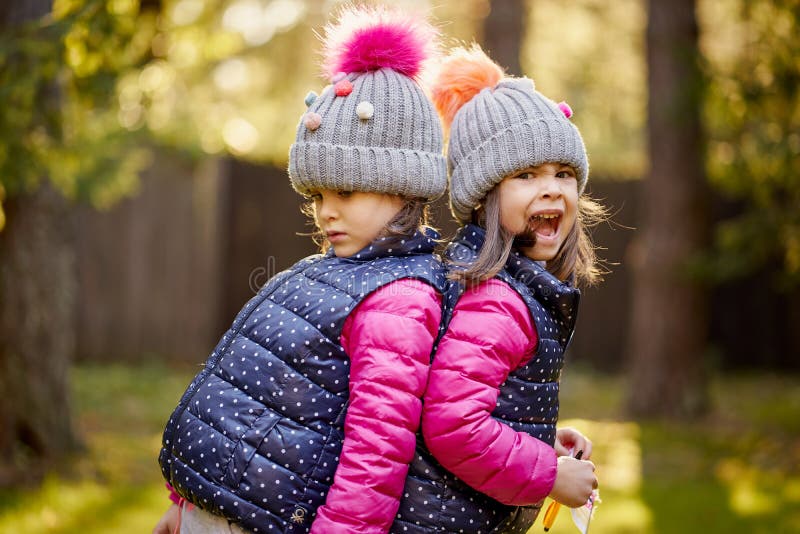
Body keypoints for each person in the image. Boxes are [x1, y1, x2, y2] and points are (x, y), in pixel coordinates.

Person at [153, 6, 449, 533]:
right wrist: (186, 505)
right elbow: (246, 394)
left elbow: (376, 453)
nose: (325, 210)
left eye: (345, 191)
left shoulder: (399, 299)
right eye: (316, 195)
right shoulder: (324, 272)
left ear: (404, 187)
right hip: (219, 510)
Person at [419, 45, 606, 531]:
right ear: (483, 197)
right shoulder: (497, 302)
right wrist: (548, 476)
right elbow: (454, 428)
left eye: (563, 173)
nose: (551, 188)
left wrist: (541, 438)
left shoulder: (509, 286)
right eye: (526, 175)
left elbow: (481, 404)